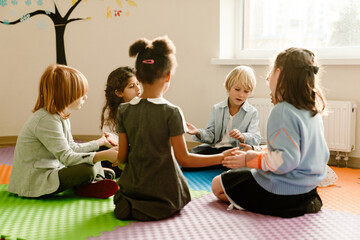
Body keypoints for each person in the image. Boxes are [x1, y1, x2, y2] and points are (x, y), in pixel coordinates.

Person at [113, 36, 232, 221]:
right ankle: (148, 206)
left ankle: (132, 203)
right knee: (181, 192)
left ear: (138, 75)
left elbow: (121, 158)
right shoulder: (171, 111)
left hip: (132, 187)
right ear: (168, 75)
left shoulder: (123, 110)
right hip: (162, 192)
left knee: (126, 192)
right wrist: (220, 157)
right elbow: (184, 159)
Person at [212, 47, 330, 218]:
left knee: (218, 184)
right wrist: (259, 151)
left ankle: (266, 207)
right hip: (309, 194)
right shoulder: (312, 111)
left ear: (279, 73)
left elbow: (284, 161)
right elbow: (310, 154)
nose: (268, 77)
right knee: (240, 177)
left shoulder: (282, 110)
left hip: (281, 195)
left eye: (271, 71)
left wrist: (248, 159)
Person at [8, 64, 119, 199]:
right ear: (66, 94)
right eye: (81, 94)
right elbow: (67, 157)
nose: (86, 97)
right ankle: (90, 180)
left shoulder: (60, 115)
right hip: (35, 181)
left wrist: (100, 142)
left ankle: (92, 182)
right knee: (88, 168)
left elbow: (72, 147)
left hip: (54, 169)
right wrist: (104, 155)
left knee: (93, 158)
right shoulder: (45, 120)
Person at [186, 66, 261, 155]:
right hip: (216, 148)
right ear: (228, 87)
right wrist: (198, 132)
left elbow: (256, 138)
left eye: (246, 91)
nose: (241, 94)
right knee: (194, 152)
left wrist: (242, 137)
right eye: (237, 89)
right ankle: (220, 161)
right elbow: (211, 136)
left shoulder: (252, 112)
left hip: (235, 150)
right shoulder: (217, 109)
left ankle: (222, 162)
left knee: (241, 158)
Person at [99, 66, 141, 177]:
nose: (138, 89)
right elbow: (109, 137)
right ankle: (103, 173)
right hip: (119, 151)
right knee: (100, 150)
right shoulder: (112, 111)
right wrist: (120, 151)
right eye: (131, 86)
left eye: (138, 84)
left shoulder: (144, 107)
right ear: (118, 92)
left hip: (137, 152)